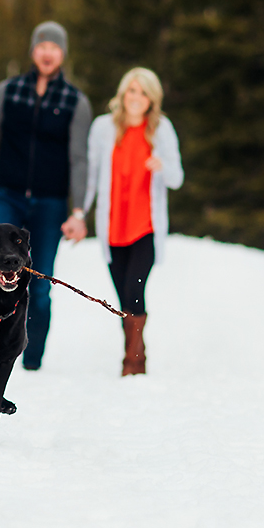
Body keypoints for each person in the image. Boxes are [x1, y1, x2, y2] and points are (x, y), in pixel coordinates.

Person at [0, 20, 93, 371]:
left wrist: (77, 211)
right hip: (7, 196)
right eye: (42, 45)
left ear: (62, 54)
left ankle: (32, 361)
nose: (47, 52)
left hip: (49, 203)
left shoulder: (75, 101)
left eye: (54, 47)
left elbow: (78, 159)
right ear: (33, 50)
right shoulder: (7, 92)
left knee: (39, 284)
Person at [71, 67, 183, 375]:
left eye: (143, 93)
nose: (136, 98)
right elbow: (91, 176)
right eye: (132, 91)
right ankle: (137, 349)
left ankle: (132, 361)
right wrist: (79, 213)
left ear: (152, 99)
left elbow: (177, 178)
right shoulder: (104, 128)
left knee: (135, 290)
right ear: (123, 94)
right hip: (114, 226)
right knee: (123, 295)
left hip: (145, 226)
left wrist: (161, 166)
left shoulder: (161, 129)